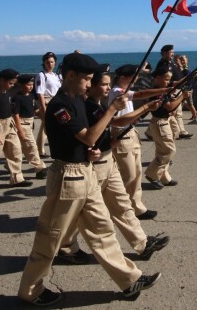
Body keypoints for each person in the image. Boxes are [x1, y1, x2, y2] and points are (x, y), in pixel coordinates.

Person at [17, 53, 161, 306]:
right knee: (49, 238)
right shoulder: (60, 105)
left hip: (85, 171)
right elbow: (88, 136)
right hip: (67, 177)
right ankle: (30, 290)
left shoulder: (79, 102)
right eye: (85, 78)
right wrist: (110, 113)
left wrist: (91, 150)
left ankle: (129, 280)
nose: (88, 83)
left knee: (102, 229)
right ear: (70, 75)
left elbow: (84, 142)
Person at [57, 69, 170, 265]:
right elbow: (115, 121)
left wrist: (110, 140)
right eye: (103, 84)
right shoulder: (88, 106)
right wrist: (146, 109)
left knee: (122, 204)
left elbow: (111, 124)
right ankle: (66, 247)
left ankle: (142, 244)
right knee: (80, 210)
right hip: (97, 165)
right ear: (91, 87)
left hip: (108, 161)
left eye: (108, 84)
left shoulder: (97, 105)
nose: (108, 88)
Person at [109, 64, 170, 219]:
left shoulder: (123, 91)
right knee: (128, 175)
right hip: (122, 135)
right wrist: (146, 108)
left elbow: (141, 94)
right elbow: (119, 121)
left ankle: (136, 208)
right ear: (123, 77)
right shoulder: (116, 92)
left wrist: (164, 90)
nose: (137, 78)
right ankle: (118, 208)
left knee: (136, 173)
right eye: (134, 76)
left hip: (131, 133)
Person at [144, 65, 191, 190]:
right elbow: (169, 106)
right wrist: (182, 96)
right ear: (157, 78)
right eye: (166, 79)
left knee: (163, 150)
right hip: (160, 123)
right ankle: (152, 174)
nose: (168, 82)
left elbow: (171, 106)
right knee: (168, 151)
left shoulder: (163, 89)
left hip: (166, 121)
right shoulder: (157, 93)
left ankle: (164, 176)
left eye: (169, 79)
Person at [11, 74, 48, 180]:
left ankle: (10, 166)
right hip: (22, 124)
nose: (31, 87)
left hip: (30, 123)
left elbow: (35, 110)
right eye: (28, 85)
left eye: (32, 85)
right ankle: (40, 168)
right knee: (32, 147)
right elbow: (16, 115)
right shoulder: (17, 98)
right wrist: (20, 130)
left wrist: (45, 119)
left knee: (22, 148)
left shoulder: (31, 96)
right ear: (21, 85)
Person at [156, 45, 193, 139]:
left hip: (178, 89)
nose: (173, 54)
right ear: (164, 53)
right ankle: (181, 131)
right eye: (171, 52)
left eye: (173, 52)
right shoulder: (162, 65)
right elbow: (162, 79)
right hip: (171, 90)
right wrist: (176, 83)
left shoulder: (170, 63)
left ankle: (150, 133)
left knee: (176, 113)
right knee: (176, 112)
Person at [34, 51, 61, 157]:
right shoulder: (41, 75)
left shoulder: (55, 75)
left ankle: (38, 150)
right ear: (44, 63)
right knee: (47, 126)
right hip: (46, 102)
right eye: (48, 62)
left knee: (45, 126)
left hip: (55, 102)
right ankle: (39, 151)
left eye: (52, 62)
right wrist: (44, 109)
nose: (50, 64)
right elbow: (40, 93)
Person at [177, 55, 197, 124]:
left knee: (189, 104)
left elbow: (188, 81)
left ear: (187, 61)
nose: (182, 61)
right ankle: (194, 114)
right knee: (184, 102)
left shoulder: (186, 71)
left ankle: (195, 117)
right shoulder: (186, 71)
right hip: (185, 89)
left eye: (183, 60)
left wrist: (191, 88)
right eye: (181, 60)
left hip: (187, 90)